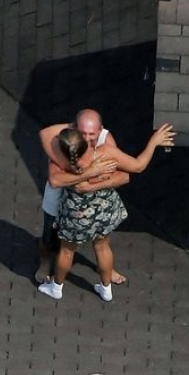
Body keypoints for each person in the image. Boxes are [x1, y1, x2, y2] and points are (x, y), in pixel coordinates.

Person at [37, 123, 175, 301]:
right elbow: (138, 166)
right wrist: (154, 142)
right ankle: (106, 289)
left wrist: (85, 182)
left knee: (66, 251)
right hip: (102, 211)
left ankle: (56, 288)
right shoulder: (103, 154)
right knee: (103, 248)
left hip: (76, 216)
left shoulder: (61, 163)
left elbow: (46, 136)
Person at [35, 109, 130, 285]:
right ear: (73, 128)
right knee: (49, 235)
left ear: (100, 130)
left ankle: (107, 270)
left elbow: (122, 176)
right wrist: (90, 174)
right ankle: (45, 262)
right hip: (58, 199)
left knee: (101, 240)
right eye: (82, 132)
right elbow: (55, 179)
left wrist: (91, 185)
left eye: (91, 134)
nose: (86, 138)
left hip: (92, 203)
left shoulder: (106, 142)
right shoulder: (64, 140)